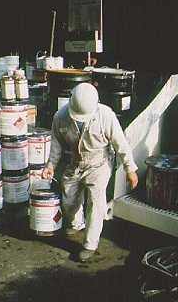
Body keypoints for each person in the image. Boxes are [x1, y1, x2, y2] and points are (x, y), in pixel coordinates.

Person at [42, 83, 138, 262]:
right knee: (69, 200)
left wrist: (130, 168)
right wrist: (50, 166)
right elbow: (56, 145)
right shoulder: (60, 117)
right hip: (74, 163)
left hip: (99, 163)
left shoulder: (106, 116)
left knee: (96, 203)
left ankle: (90, 244)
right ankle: (76, 223)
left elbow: (120, 144)